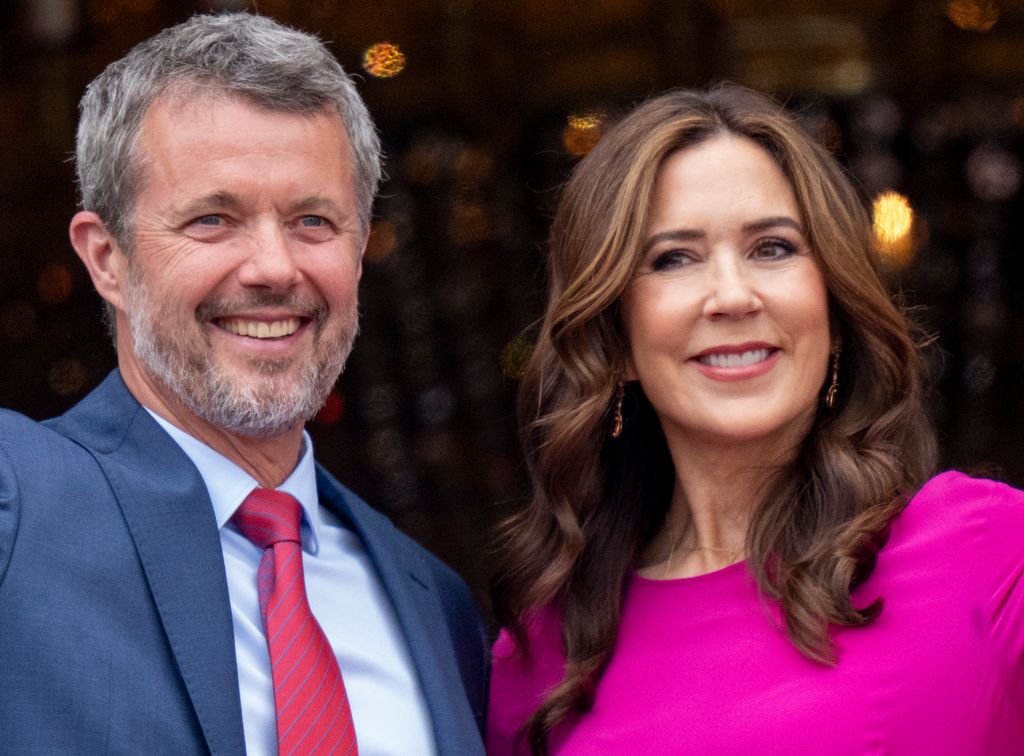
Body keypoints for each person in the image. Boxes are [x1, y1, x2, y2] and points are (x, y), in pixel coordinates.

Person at [0, 13, 487, 756]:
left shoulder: (438, 607)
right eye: (214, 219)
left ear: (359, 251)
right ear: (107, 260)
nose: (273, 267)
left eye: (313, 220)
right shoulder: (18, 503)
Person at [486, 84, 1024, 755]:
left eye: (772, 247)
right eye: (674, 258)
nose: (733, 295)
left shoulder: (987, 550)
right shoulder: (541, 654)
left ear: (833, 309)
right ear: (615, 339)